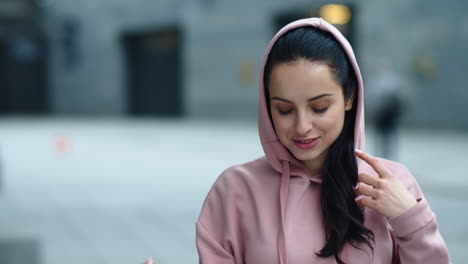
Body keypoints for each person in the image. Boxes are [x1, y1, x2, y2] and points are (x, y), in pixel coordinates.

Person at [196, 18, 449, 264]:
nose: (302, 126)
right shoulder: (235, 191)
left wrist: (411, 221)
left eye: (319, 107)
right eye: (285, 110)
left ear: (349, 98)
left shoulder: (390, 183)